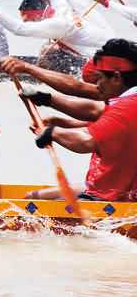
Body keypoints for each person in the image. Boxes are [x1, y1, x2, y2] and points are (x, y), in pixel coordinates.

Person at [25, 39, 137, 201]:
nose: (97, 86)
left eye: (99, 78)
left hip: (116, 196)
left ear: (116, 78)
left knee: (34, 210)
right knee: (32, 197)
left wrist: (52, 133)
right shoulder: (128, 103)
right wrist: (48, 101)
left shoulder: (126, 107)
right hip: (113, 186)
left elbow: (85, 142)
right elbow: (97, 115)